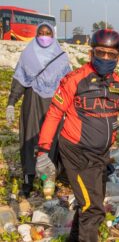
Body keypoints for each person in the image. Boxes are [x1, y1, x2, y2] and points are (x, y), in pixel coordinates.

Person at [35, 29, 119, 242]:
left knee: (89, 204)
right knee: (93, 209)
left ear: (118, 58)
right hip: (76, 153)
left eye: (110, 55)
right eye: (100, 53)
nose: (105, 58)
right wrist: (43, 151)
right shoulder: (75, 80)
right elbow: (55, 113)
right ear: (91, 53)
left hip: (100, 156)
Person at [5, 22, 71, 198]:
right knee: (29, 138)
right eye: (41, 33)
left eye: (47, 33)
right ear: (36, 34)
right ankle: (28, 179)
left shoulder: (61, 57)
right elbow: (19, 79)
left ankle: (46, 180)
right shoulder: (28, 54)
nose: (44, 36)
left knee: (50, 142)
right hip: (32, 101)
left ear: (53, 35)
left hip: (54, 104)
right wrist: (11, 102)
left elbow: (68, 85)